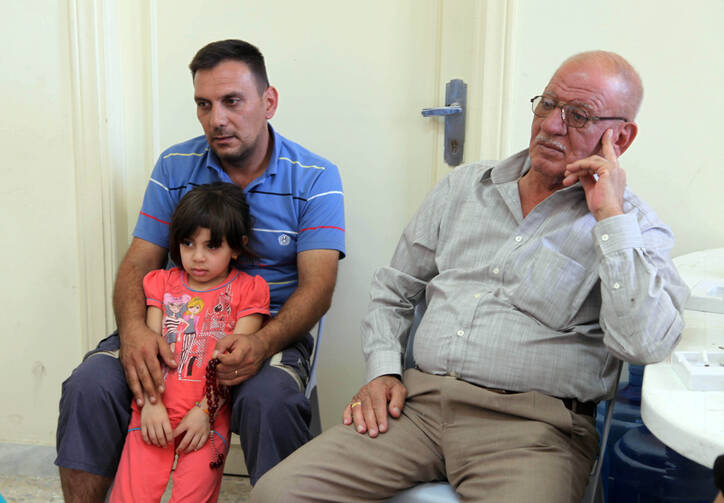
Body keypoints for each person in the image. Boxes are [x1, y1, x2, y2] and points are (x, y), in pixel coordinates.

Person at [251, 51, 689, 503]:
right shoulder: (463, 188)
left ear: (621, 136)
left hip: (534, 432)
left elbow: (644, 345)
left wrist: (609, 219)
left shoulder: (632, 228)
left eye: (579, 116)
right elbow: (394, 288)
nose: (553, 126)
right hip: (416, 409)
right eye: (548, 104)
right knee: (278, 493)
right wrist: (383, 370)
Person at [55, 39, 345, 502]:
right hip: (174, 323)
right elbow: (138, 263)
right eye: (204, 105)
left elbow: (319, 286)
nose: (217, 119)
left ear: (268, 102)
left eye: (232, 101)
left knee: (269, 399)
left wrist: (260, 343)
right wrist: (133, 331)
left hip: (263, 331)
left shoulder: (315, 176)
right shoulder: (175, 165)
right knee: (90, 383)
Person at [109, 182, 270, 502]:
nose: (197, 257)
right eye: (188, 243)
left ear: (237, 247)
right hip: (151, 413)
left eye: (212, 246)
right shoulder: (161, 283)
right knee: (131, 496)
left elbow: (235, 363)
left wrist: (205, 413)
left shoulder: (249, 290)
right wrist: (151, 405)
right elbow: (150, 351)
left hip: (206, 420)